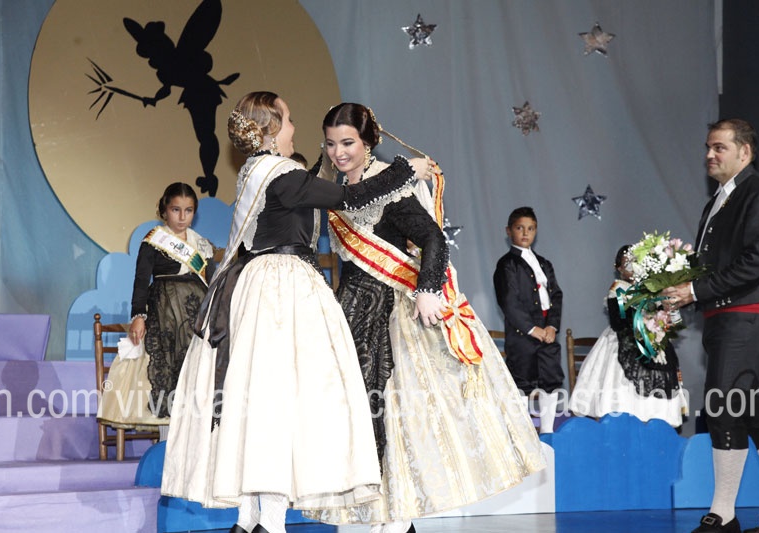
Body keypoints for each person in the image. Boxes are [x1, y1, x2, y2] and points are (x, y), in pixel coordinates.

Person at [160, 92, 431, 533]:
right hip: (281, 290)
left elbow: (319, 188)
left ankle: (252, 518)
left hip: (261, 287)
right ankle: (267, 521)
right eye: (287, 120)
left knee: (263, 401)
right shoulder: (281, 174)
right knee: (281, 401)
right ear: (270, 130)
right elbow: (351, 196)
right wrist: (406, 171)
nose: (293, 128)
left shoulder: (257, 170)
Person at [306, 103, 545, 533]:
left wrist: (429, 289)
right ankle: (380, 513)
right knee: (359, 417)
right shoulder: (341, 188)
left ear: (368, 141)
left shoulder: (391, 189)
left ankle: (397, 516)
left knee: (397, 417)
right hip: (351, 311)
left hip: (388, 314)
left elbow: (434, 239)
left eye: (348, 143)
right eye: (331, 143)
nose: (338, 152)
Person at [662, 119, 759, 533]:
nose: (709, 154)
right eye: (708, 147)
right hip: (727, 320)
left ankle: (723, 514)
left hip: (748, 318)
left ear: (745, 152)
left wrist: (694, 290)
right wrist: (671, 284)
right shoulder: (717, 201)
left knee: (722, 408)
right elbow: (714, 265)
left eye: (719, 147)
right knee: (758, 412)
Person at [99, 182, 214, 439]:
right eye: (176, 210)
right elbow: (141, 281)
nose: (182, 217)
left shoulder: (201, 244)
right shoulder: (154, 241)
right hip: (165, 317)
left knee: (197, 375)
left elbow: (212, 282)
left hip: (196, 318)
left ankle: (194, 442)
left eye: (188, 210)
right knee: (167, 375)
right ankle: (166, 443)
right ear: (164, 210)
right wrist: (139, 316)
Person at [569, 245, 689, 427]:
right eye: (628, 264)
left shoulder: (651, 289)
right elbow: (618, 321)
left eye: (637, 263)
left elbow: (668, 316)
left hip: (651, 338)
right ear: (618, 268)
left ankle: (653, 421)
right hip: (624, 339)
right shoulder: (618, 289)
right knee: (621, 385)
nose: (633, 268)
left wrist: (662, 315)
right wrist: (640, 322)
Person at [493, 207, 564, 434]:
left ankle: (547, 432)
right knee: (522, 382)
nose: (525, 233)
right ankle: (523, 434)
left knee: (550, 380)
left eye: (531, 229)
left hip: (547, 331)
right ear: (509, 231)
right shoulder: (506, 265)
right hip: (522, 334)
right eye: (520, 228)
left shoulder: (544, 264)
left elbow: (556, 296)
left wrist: (551, 326)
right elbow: (508, 301)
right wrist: (532, 328)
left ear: (536, 231)